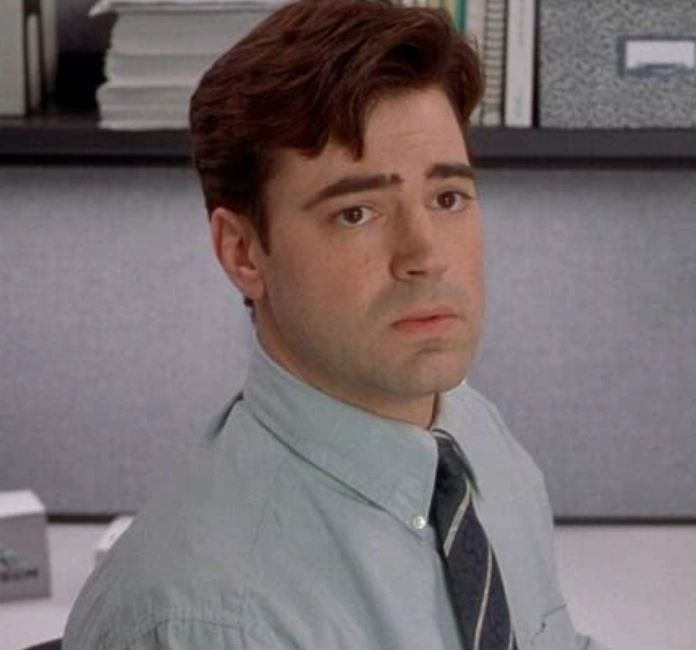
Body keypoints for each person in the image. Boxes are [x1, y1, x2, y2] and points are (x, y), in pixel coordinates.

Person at [64, 1, 609, 648]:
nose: (426, 256)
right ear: (243, 253)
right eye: (357, 213)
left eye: (448, 198)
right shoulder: (205, 620)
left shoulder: (478, 439)